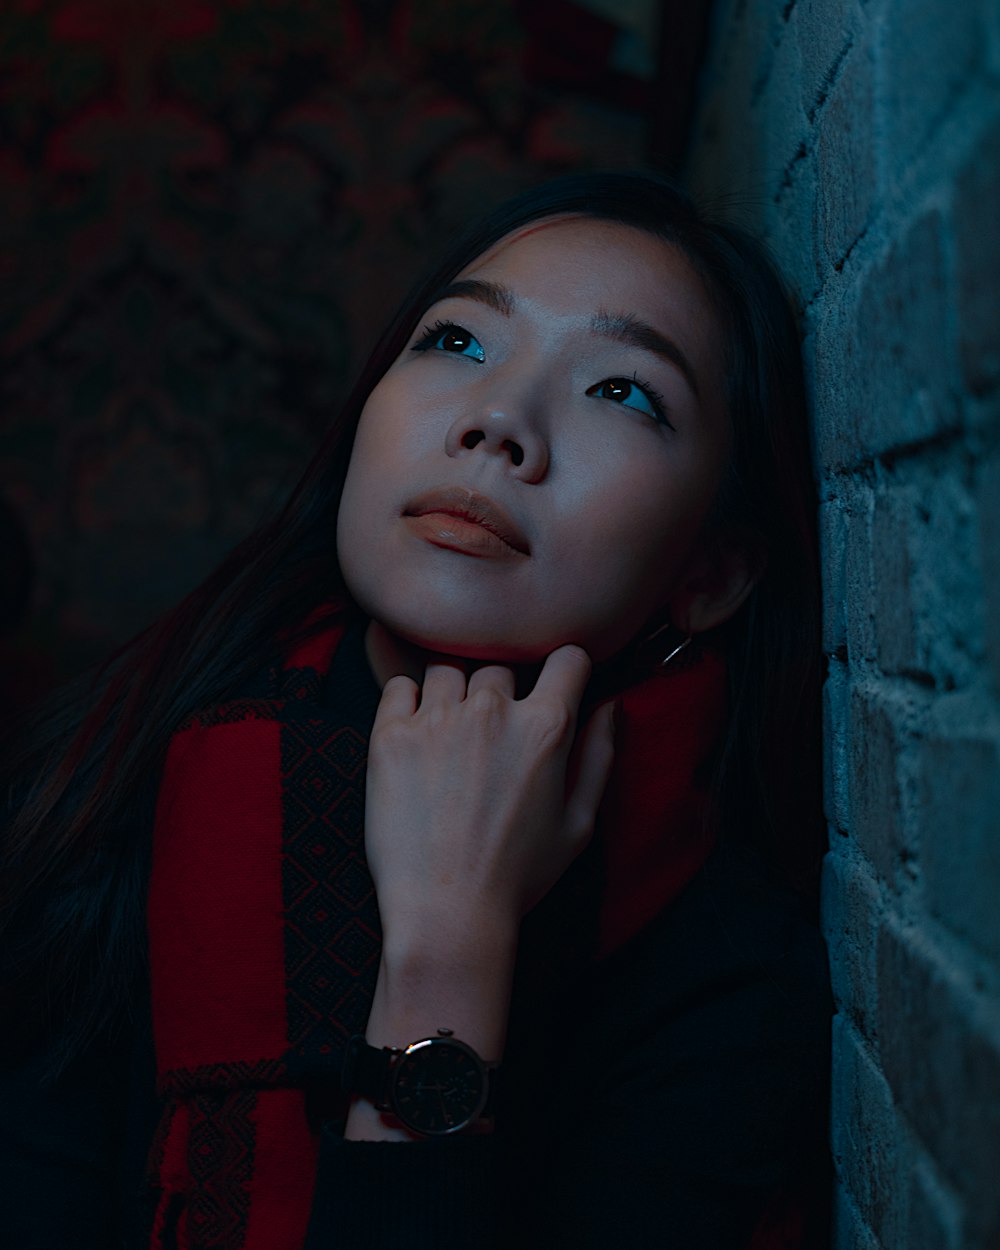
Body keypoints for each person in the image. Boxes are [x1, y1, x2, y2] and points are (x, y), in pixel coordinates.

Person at [0, 171, 831, 1249]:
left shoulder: (726, 974)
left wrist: (446, 950)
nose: (497, 422)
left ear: (708, 575)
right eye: (457, 342)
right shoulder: (115, 781)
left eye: (621, 391)